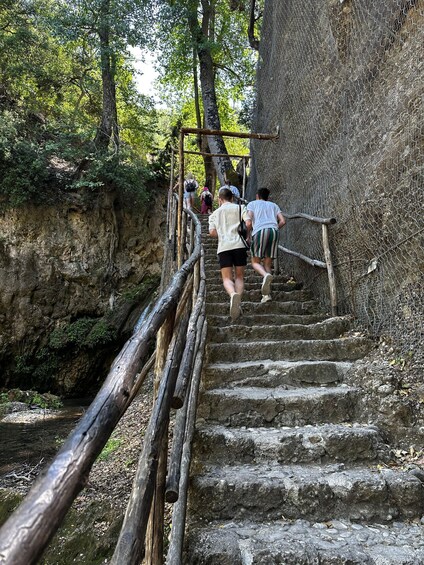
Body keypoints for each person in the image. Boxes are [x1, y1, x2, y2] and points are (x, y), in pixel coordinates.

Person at [209, 187, 250, 321]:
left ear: (219, 200)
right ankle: (237, 302)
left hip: (224, 247)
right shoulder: (240, 208)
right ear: (232, 198)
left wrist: (222, 233)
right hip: (239, 245)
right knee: (239, 276)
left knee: (227, 279)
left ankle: (232, 295)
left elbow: (212, 232)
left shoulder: (214, 214)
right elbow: (248, 222)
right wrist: (246, 234)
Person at [245, 187, 286, 303]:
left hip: (259, 231)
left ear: (257, 196)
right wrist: (273, 228)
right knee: (267, 263)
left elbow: (248, 222)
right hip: (274, 231)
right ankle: (267, 295)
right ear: (267, 197)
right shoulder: (273, 205)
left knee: (255, 262)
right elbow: (282, 221)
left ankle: (265, 276)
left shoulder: (252, 204)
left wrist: (248, 235)